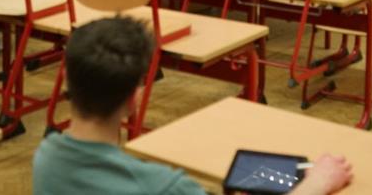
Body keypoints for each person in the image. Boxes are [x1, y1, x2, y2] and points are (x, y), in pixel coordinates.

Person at [32, 16, 353, 195]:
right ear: (134, 99)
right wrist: (318, 183)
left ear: (66, 80)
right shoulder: (161, 187)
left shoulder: (46, 158)